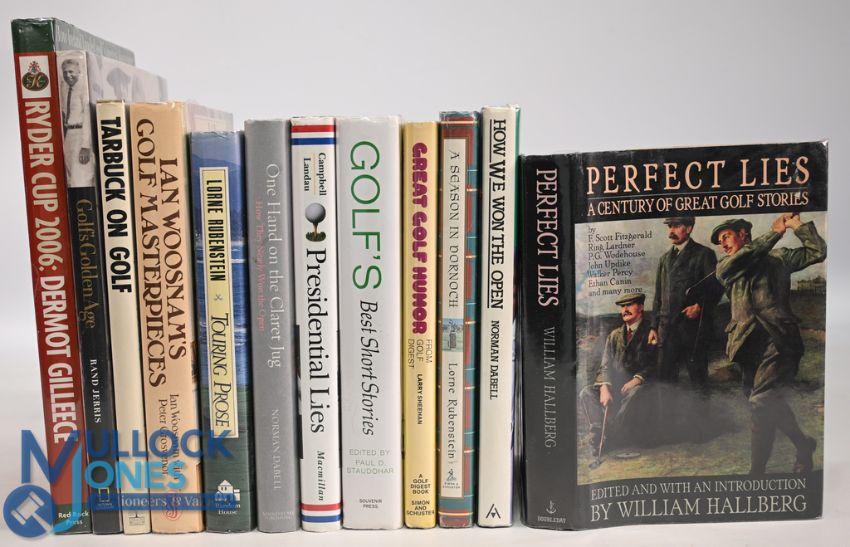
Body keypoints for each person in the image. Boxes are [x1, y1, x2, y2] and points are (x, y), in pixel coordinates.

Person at [711, 213, 825, 474]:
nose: (723, 244)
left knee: (761, 401)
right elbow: (745, 257)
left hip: (779, 341)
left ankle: (756, 473)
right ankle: (803, 445)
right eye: (719, 241)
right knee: (763, 406)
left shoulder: (779, 258)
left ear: (743, 234)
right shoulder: (726, 266)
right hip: (745, 346)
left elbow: (818, 251)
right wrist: (775, 232)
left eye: (726, 237)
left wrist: (797, 225)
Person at [580, 293, 657, 453]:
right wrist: (604, 387)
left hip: (641, 387)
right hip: (616, 386)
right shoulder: (614, 335)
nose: (625, 309)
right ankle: (598, 432)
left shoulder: (650, 333)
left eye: (630, 305)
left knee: (635, 392)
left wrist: (637, 379)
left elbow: (655, 364)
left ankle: (611, 435)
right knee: (586, 392)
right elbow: (605, 365)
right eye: (623, 306)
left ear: (641, 307)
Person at [59, 57, 95, 187]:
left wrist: (85, 146)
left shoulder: (84, 89)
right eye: (65, 72)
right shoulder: (65, 88)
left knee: (80, 178)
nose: (68, 75)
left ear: (79, 71)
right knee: (70, 177)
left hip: (81, 135)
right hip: (69, 135)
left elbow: (88, 117)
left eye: (71, 72)